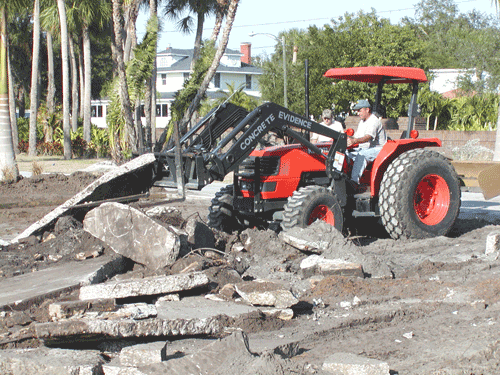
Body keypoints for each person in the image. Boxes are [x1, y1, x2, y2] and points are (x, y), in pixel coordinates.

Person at [347, 99, 387, 184]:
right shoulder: (362, 122)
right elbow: (356, 137)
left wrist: (354, 141)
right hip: (366, 148)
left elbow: (368, 137)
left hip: (379, 148)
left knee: (362, 155)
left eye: (359, 110)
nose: (358, 113)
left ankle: (354, 182)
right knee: (346, 154)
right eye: (357, 111)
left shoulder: (374, 121)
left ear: (367, 110)